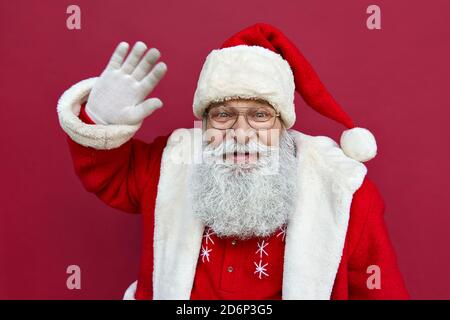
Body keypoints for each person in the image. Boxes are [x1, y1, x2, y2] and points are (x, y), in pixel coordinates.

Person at [56, 23, 408, 299]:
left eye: (259, 115)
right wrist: (100, 118)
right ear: (204, 123)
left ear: (284, 124)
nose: (241, 132)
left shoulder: (343, 191)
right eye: (223, 115)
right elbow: (108, 175)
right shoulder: (170, 164)